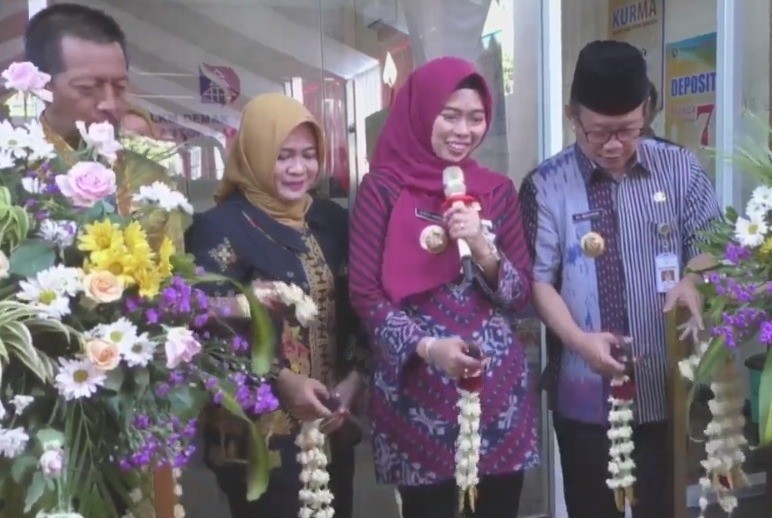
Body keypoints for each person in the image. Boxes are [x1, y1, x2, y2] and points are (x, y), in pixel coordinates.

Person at [519, 40, 721, 518]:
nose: (613, 145)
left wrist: (693, 278)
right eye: (598, 132)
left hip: (664, 388)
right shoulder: (545, 185)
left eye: (628, 130)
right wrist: (577, 341)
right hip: (584, 394)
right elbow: (538, 281)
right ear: (572, 116)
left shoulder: (679, 168)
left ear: (646, 110)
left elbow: (710, 240)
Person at [349, 57, 537, 518]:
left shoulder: (497, 191)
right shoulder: (382, 189)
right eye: (449, 115)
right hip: (418, 394)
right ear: (421, 112)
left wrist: (482, 245)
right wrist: (430, 349)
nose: (463, 131)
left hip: (496, 393)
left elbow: (519, 295)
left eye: (476, 118)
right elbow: (366, 295)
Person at [185, 93, 368, 518]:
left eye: (308, 155)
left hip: (332, 422)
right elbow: (206, 327)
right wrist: (281, 380)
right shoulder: (220, 227)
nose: (298, 168)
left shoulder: (331, 219)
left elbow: (358, 305)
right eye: (282, 156)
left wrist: (353, 381)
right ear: (254, 153)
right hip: (261, 433)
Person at [24, 3, 168, 217]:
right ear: (42, 86)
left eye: (119, 87)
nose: (110, 104)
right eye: (88, 87)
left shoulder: (148, 177)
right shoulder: (14, 175)